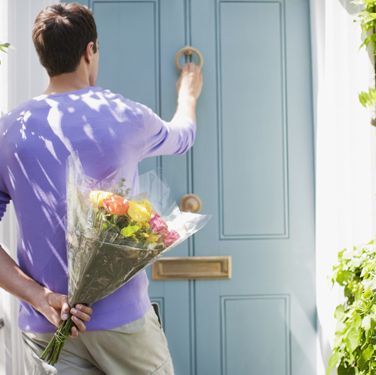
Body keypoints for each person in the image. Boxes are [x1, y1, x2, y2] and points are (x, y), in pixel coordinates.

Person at [0, 2, 202, 374]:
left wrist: (41, 298)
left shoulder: (10, 130)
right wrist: (188, 93)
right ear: (90, 50)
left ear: (42, 55)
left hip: (47, 327)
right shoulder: (124, 114)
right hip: (123, 322)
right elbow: (183, 137)